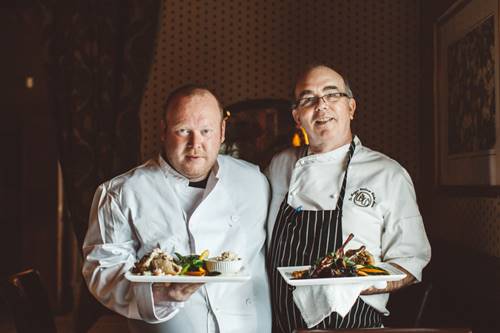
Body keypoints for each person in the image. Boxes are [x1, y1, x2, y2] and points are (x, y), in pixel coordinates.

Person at [82, 85, 272, 333]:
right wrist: (160, 293)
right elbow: (103, 271)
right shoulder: (120, 193)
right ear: (163, 130)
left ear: (222, 132)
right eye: (183, 130)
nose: (196, 143)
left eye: (206, 131)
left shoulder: (255, 182)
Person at [266, 64, 431, 332]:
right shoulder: (280, 165)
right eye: (308, 99)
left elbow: (412, 259)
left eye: (332, 95)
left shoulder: (387, 174)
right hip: (281, 325)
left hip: (355, 326)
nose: (321, 106)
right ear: (297, 117)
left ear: (351, 108)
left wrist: (360, 284)